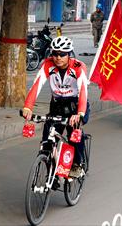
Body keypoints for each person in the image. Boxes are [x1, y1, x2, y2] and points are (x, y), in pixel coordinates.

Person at [22, 36, 89, 177]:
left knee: (74, 135)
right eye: (55, 53)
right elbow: (37, 85)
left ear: (69, 54)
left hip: (76, 106)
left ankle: (77, 164)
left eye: (62, 54)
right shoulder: (48, 64)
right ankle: (50, 171)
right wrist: (28, 107)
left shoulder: (78, 67)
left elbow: (83, 90)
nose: (58, 57)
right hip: (57, 105)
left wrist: (80, 113)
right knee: (47, 141)